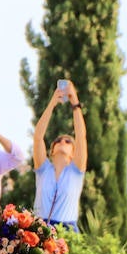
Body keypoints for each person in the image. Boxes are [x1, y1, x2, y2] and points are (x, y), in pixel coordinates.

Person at [31, 80, 86, 228]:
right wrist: (52, 103)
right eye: (59, 141)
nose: (63, 141)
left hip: (66, 229)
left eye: (68, 142)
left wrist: (75, 103)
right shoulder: (43, 169)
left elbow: (81, 137)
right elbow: (38, 137)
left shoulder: (75, 171)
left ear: (73, 153)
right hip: (40, 228)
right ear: (52, 150)